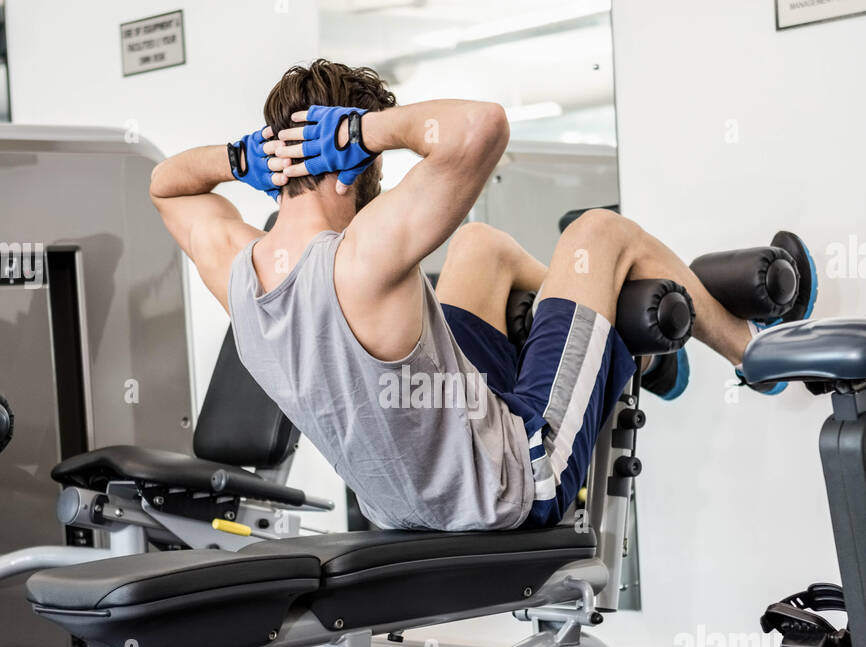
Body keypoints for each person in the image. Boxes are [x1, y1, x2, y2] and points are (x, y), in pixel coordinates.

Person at [150, 58, 816, 532]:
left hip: (402, 507)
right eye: (371, 164)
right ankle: (759, 358)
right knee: (599, 231)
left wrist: (242, 160)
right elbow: (479, 127)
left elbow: (166, 183)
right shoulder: (361, 254)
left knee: (479, 247)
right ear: (350, 169)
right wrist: (357, 133)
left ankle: (628, 341)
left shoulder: (237, 270)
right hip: (513, 485)